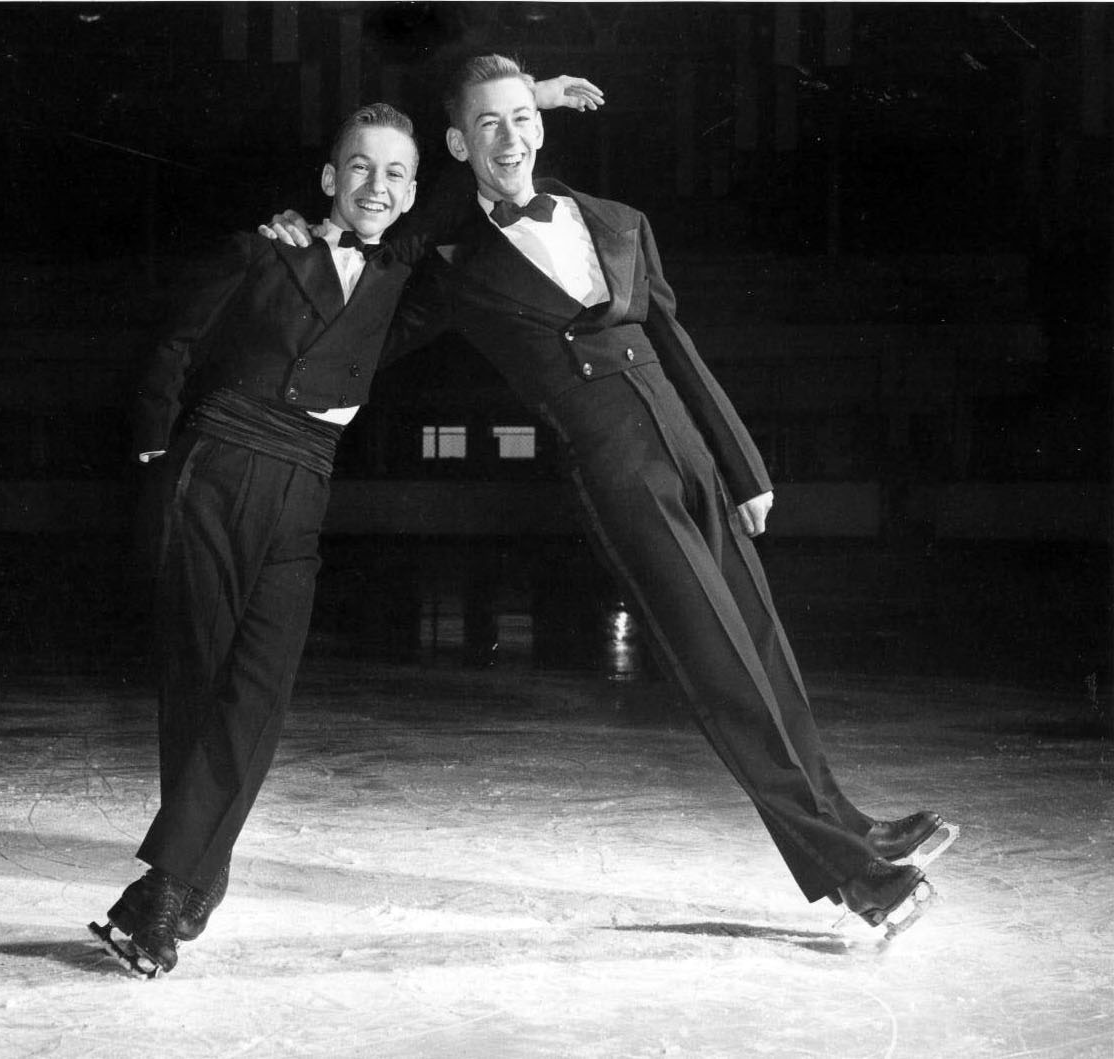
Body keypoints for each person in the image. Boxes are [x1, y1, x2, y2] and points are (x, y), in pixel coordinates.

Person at [264, 54, 956, 938]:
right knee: (722, 669)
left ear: (544, 127)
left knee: (766, 649)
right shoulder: (455, 260)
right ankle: (849, 871)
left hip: (693, 456)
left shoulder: (621, 221)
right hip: (619, 473)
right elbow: (376, 278)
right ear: (455, 144)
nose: (508, 139)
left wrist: (744, 467)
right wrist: (309, 242)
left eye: (522, 119)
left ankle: (847, 817)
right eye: (486, 125)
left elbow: (677, 346)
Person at [95, 78, 607, 978]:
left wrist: (531, 96)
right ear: (329, 177)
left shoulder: (402, 275)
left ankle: (171, 886)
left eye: (396, 174)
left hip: (307, 484)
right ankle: (176, 897)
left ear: (412, 190)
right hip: (218, 464)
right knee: (202, 688)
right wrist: (150, 450)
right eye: (360, 168)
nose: (378, 185)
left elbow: (472, 173)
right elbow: (175, 344)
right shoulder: (262, 251)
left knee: (259, 692)